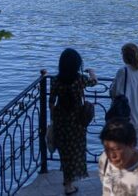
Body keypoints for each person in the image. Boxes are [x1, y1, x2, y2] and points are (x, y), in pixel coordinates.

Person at [51, 48, 98, 195]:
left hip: (61, 120)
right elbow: (94, 82)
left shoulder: (55, 81)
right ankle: (69, 185)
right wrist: (91, 71)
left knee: (64, 152)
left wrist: (54, 118)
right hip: (77, 121)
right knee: (75, 151)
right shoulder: (80, 80)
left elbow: (51, 102)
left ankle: (67, 182)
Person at [110, 42, 138, 134]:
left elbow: (115, 93)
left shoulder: (123, 71)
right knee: (135, 144)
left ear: (125, 56)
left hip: (124, 115)